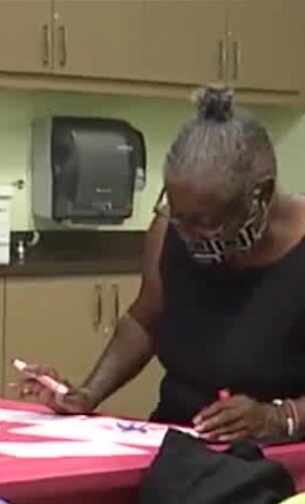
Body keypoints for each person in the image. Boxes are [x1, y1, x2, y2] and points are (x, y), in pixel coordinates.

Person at [18, 87, 305, 442]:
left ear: (259, 196)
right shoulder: (170, 229)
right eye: (178, 217)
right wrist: (87, 394)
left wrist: (281, 417)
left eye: (204, 222)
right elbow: (147, 318)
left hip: (278, 458)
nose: (187, 235)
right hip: (179, 440)